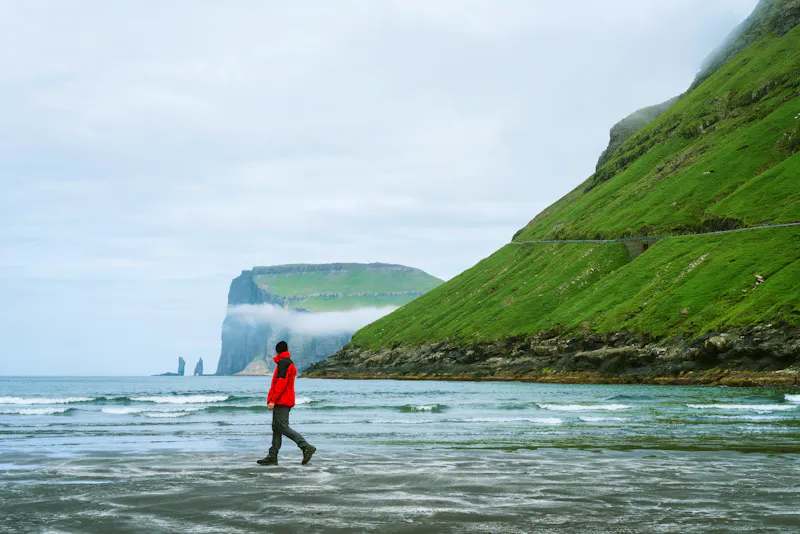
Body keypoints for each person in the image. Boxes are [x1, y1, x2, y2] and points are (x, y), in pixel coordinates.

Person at [257, 341, 316, 466]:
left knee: (282, 427)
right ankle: (272, 456)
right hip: (284, 400)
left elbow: (281, 384)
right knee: (276, 428)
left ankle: (305, 446)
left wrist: (273, 400)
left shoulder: (284, 363)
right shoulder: (287, 362)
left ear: (277, 351)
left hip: (282, 401)